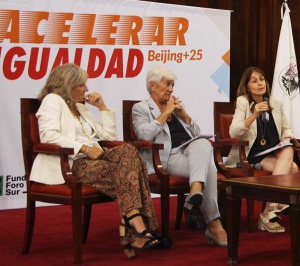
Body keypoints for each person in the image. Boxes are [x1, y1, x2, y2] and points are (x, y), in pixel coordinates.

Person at [30, 63, 165, 259]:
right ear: (68, 84)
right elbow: (48, 136)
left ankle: (133, 223)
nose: (86, 89)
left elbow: (109, 135)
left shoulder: (80, 108)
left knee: (128, 151)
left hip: (95, 160)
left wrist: (102, 107)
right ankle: (136, 227)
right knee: (133, 168)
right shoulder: (52, 100)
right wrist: (84, 148)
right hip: (70, 163)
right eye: (82, 85)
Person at [132, 66, 227, 246]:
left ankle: (196, 190)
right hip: (166, 157)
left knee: (203, 143)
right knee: (209, 170)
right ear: (153, 86)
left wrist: (185, 116)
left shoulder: (175, 106)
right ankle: (214, 225)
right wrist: (165, 113)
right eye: (167, 84)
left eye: (173, 85)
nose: (171, 89)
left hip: (189, 152)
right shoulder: (141, 108)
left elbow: (196, 133)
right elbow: (143, 135)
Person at [227, 67, 298, 233]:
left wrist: (287, 137)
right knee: (292, 168)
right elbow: (234, 132)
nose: (260, 83)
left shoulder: (275, 102)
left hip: (271, 153)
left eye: (261, 79)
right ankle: (271, 209)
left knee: (290, 155)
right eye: (254, 81)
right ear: (247, 87)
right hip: (251, 155)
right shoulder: (243, 102)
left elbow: (286, 128)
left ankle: (268, 211)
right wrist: (253, 115)